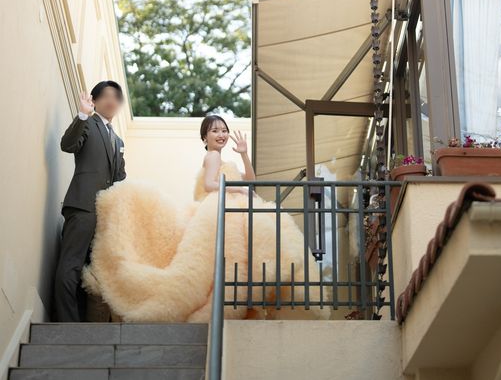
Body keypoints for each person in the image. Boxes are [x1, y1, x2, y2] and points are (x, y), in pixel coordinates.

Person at [82, 114, 328, 322]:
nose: (221, 134)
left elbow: (251, 180)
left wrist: (244, 154)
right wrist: (238, 190)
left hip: (229, 204)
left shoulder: (224, 160)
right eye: (214, 131)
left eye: (224, 130)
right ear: (205, 138)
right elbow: (211, 184)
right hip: (218, 205)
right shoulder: (213, 157)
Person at [54, 81, 126, 322]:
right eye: (105, 95)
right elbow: (68, 145)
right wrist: (82, 115)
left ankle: (85, 322)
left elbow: (119, 177)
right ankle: (66, 322)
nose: (111, 100)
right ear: (94, 101)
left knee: (92, 269)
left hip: (104, 212)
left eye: (116, 97)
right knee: (71, 264)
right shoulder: (88, 123)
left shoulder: (118, 140)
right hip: (83, 205)